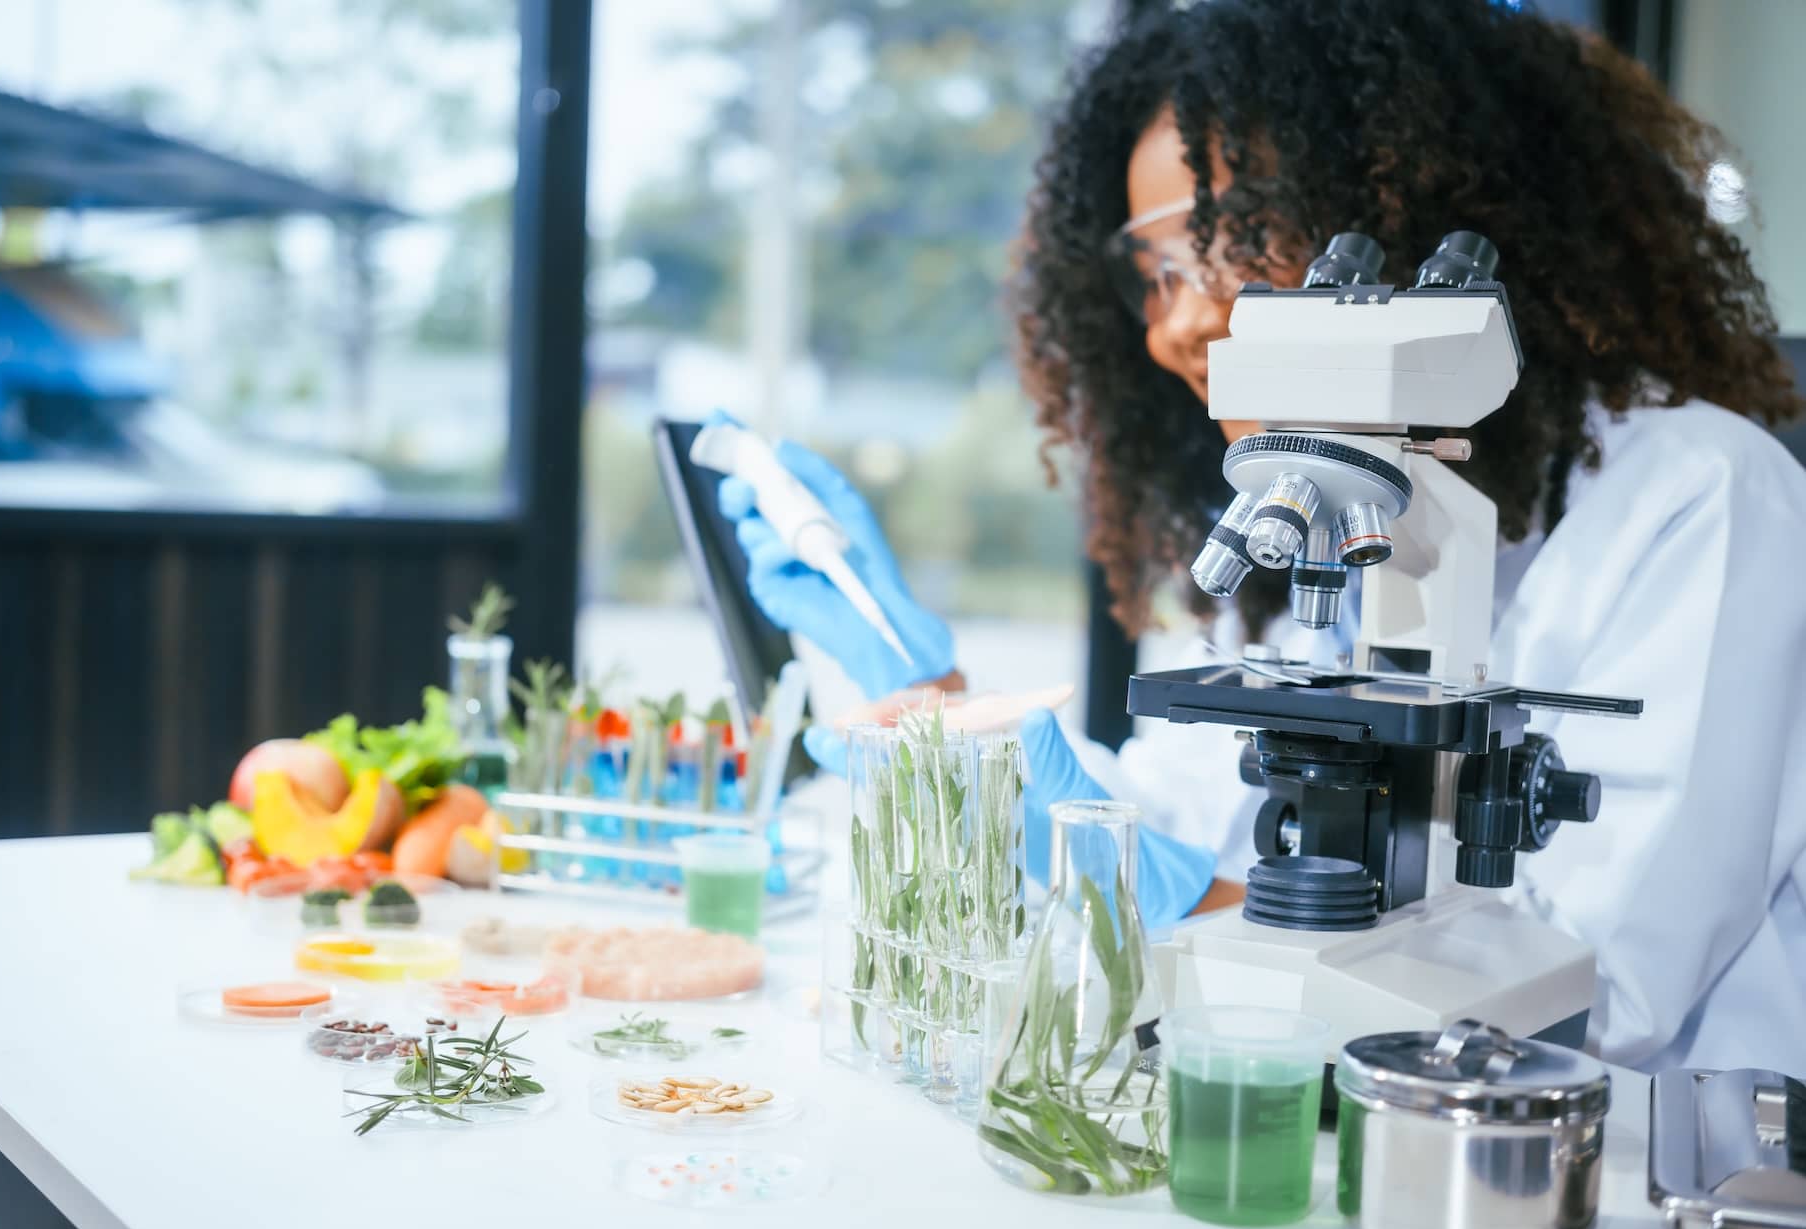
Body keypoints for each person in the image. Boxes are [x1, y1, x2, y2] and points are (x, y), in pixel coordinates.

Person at [716, 0, 1806, 1077]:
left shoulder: (1700, 497)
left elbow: (1602, 998)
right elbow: (1170, 823)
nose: (1181, 321)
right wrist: (948, 713)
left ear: (1402, 210)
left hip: (1615, 1154)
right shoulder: (1313, 515)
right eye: (1157, 274)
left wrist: (1173, 903)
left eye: (1232, 240)